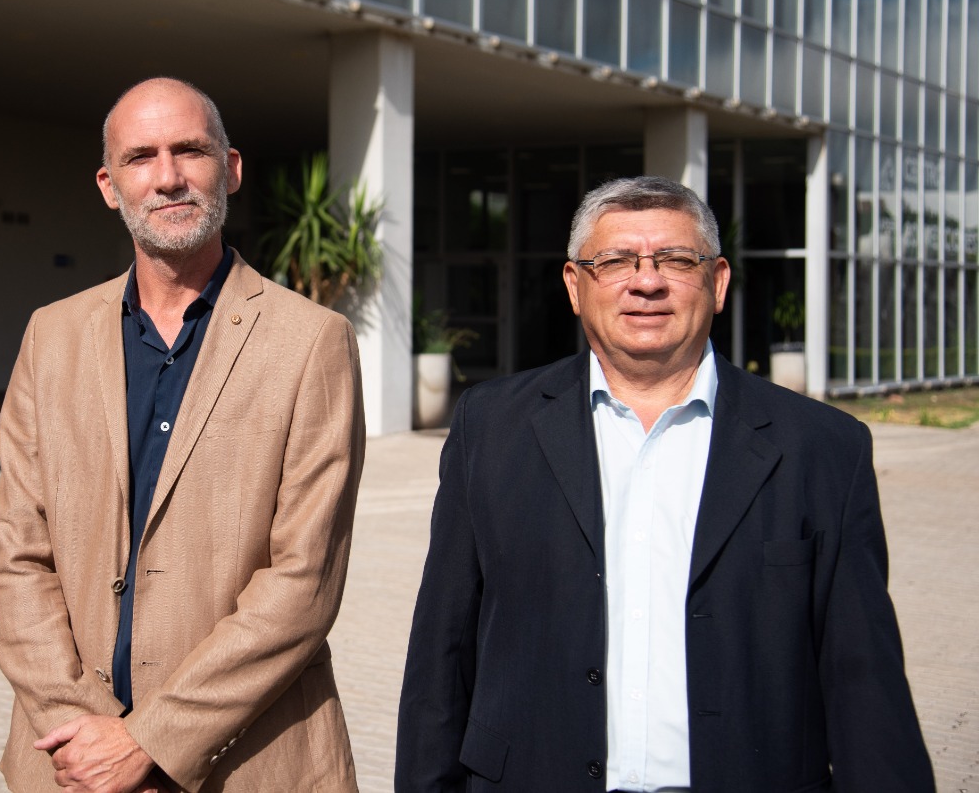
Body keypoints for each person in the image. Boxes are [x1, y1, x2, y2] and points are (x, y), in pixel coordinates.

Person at [395, 175, 935, 793]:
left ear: (718, 282)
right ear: (574, 285)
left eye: (676, 260)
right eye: (614, 261)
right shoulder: (491, 428)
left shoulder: (822, 448)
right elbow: (441, 654)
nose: (646, 282)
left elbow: (864, 680)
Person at [0, 77, 366, 793]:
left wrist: (152, 742)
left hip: (247, 762)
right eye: (141, 157)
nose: (167, 177)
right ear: (109, 185)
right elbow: (18, 555)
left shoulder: (312, 341)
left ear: (230, 169)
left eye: (189, 150)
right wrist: (88, 733)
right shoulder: (51, 335)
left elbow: (304, 581)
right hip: (72, 762)